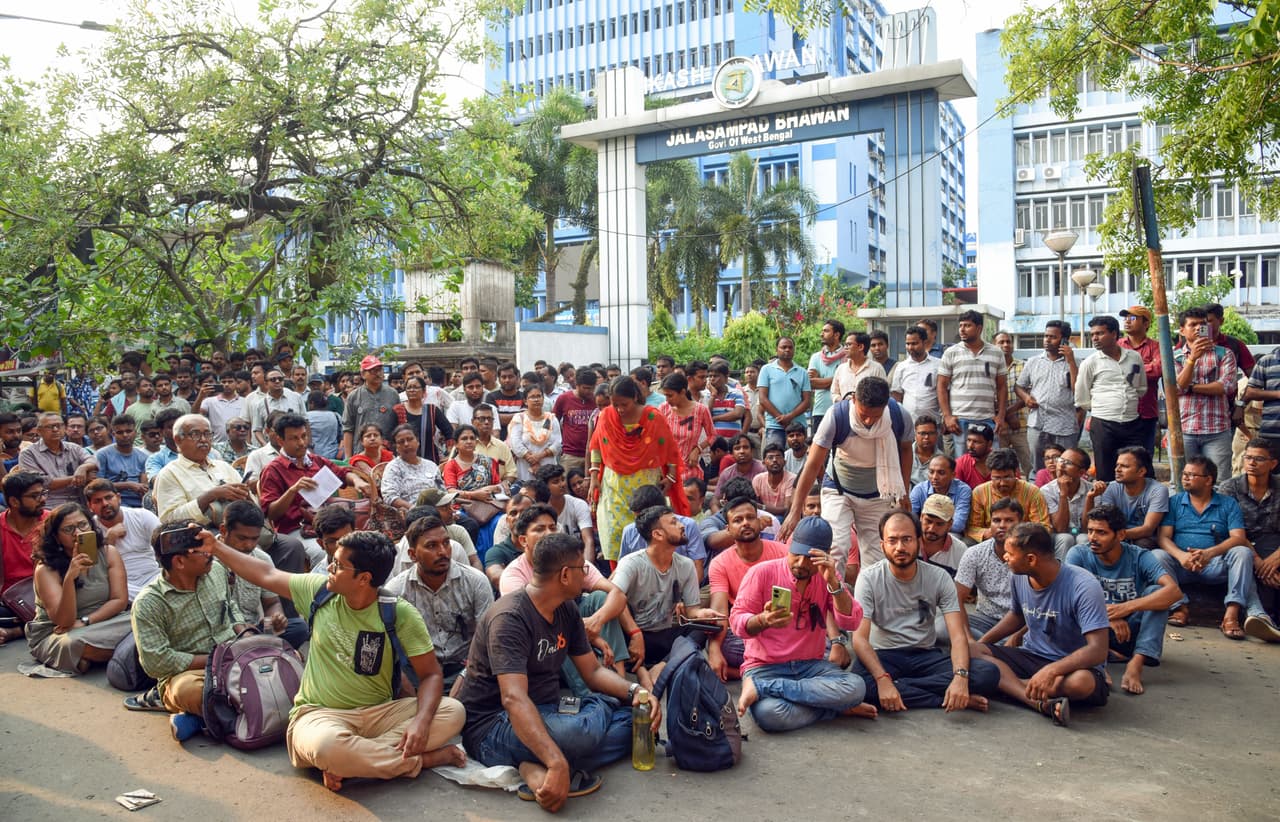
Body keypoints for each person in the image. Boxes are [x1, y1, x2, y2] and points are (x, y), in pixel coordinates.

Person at [205, 527, 466, 790]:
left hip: (379, 714)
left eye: (339, 565)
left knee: (453, 711)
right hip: (319, 715)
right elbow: (266, 573)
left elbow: (431, 674)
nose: (329, 567)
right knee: (326, 746)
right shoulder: (319, 592)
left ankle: (352, 762)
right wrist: (215, 547)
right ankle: (416, 761)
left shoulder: (399, 613)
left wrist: (420, 722)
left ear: (363, 579)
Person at [457, 532, 659, 812]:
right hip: (494, 724)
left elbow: (593, 673)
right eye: (583, 568)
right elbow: (513, 699)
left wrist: (636, 691)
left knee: (638, 722)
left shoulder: (566, 610)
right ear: (565, 575)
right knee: (579, 736)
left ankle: (532, 762)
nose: (587, 573)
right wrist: (556, 761)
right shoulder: (510, 618)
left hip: (548, 711)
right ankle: (558, 755)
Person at [730, 517, 874, 732]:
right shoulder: (762, 572)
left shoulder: (828, 577)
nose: (800, 563)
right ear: (789, 546)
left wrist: (834, 584)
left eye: (809, 558)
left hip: (810, 667)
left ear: (824, 556)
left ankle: (764, 688)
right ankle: (834, 707)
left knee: (856, 687)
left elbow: (851, 621)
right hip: (765, 667)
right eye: (795, 554)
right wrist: (762, 620)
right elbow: (737, 622)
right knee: (770, 715)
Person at [851, 510, 1000, 712]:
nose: (900, 547)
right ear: (882, 545)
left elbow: (957, 636)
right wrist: (882, 678)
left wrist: (960, 677)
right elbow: (859, 638)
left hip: (925, 655)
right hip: (884, 656)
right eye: (892, 541)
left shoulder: (939, 577)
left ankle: (903, 690)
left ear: (919, 542)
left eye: (907, 539)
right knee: (858, 685)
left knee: (987, 673)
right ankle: (942, 698)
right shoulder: (869, 578)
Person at [972, 523, 1111, 727]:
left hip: (1072, 666)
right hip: (1032, 655)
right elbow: (1016, 616)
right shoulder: (1019, 576)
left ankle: (1004, 684)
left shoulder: (1083, 586)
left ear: (1031, 559)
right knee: (969, 651)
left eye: (1010, 554)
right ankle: (1034, 698)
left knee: (1081, 683)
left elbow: (1098, 650)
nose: (1005, 558)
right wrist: (982, 646)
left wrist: (1052, 671)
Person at [781, 377, 912, 579]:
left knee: (877, 557)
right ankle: (833, 602)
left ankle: (866, 606)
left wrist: (903, 491)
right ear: (854, 401)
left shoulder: (899, 416)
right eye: (863, 415)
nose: (868, 422)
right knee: (835, 548)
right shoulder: (836, 416)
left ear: (886, 407)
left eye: (875, 417)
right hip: (838, 489)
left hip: (879, 493)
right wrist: (795, 509)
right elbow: (813, 464)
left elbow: (905, 450)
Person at [130, 517, 247, 737]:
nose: (210, 553)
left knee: (283, 662)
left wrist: (244, 631)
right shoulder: (149, 603)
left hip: (234, 656)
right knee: (189, 691)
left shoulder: (217, 570)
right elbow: (156, 662)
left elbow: (230, 606)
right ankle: (213, 713)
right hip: (191, 674)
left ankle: (200, 720)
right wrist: (217, 659)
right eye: (202, 550)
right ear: (179, 562)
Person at [1153, 456, 1278, 641]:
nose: (1185, 478)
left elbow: (1238, 538)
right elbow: (1163, 537)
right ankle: (1179, 607)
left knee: (1242, 552)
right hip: (1182, 565)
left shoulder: (1227, 504)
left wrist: (1209, 553)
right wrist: (1181, 556)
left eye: (1192, 475)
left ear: (1208, 479)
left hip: (1215, 564)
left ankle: (1231, 615)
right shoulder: (1175, 502)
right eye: (1184, 474)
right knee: (1157, 555)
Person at [1066, 505, 1182, 695]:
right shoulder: (1079, 554)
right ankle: (1099, 661)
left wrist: (1125, 608)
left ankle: (1136, 663)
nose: (1093, 538)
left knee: (1157, 592)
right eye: (1090, 531)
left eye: (1101, 532)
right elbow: (1069, 594)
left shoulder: (1139, 556)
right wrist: (1108, 616)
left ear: (1120, 535)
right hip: (1091, 629)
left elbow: (1174, 592)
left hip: (1128, 632)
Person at [587, 376, 688, 569]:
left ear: (635, 396)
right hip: (613, 486)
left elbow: (668, 448)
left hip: (645, 486)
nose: (620, 409)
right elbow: (596, 447)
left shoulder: (653, 417)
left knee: (650, 532)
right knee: (615, 534)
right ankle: (619, 580)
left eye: (624, 404)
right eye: (615, 404)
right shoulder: (607, 415)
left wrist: (671, 477)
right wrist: (593, 476)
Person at [612, 505, 724, 678]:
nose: (681, 525)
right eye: (674, 522)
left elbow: (692, 611)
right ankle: (651, 666)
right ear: (658, 534)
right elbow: (614, 597)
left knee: (707, 627)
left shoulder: (686, 565)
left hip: (665, 635)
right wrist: (634, 633)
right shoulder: (631, 563)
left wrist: (703, 613)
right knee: (612, 624)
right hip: (634, 638)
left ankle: (662, 665)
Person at [386, 514, 494, 684]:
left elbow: (487, 641)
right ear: (413, 555)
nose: (443, 551)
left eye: (446, 543)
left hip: (469, 669)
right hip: (419, 673)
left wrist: (464, 676)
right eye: (431, 546)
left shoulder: (475, 581)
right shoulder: (396, 590)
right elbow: (391, 649)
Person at [26, 503, 132, 673]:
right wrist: (70, 578)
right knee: (73, 643)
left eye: (82, 525)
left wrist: (85, 621)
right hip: (59, 632)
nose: (77, 533)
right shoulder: (45, 569)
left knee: (141, 620)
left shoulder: (108, 552)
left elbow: (119, 600)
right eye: (68, 529)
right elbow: (64, 621)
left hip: (102, 621)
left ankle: (102, 656)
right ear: (56, 537)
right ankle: (129, 653)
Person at [258, 413, 367, 558]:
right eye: (294, 438)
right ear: (280, 440)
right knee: (323, 553)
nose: (302, 443)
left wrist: (357, 480)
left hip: (329, 525)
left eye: (304, 436)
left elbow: (343, 473)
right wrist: (293, 490)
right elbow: (271, 514)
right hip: (296, 529)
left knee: (363, 547)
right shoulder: (273, 470)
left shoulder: (316, 461)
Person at [706, 496, 791, 680]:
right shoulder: (720, 563)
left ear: (760, 523)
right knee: (724, 647)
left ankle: (751, 674)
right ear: (728, 529)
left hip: (783, 626)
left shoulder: (783, 553)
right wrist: (713, 649)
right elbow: (720, 610)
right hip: (749, 631)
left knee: (819, 644)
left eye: (750, 518)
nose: (745, 523)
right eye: (738, 520)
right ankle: (784, 669)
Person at [217, 501, 308, 650]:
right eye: (242, 538)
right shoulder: (207, 560)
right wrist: (241, 629)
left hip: (254, 630)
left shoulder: (261, 558)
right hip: (223, 632)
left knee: (299, 628)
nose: (249, 545)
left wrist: (275, 618)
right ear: (223, 530)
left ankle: (258, 649)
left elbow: (272, 602)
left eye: (254, 539)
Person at [1076, 315, 1148, 482]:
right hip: (1104, 424)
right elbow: (1081, 397)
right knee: (1106, 471)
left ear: (1114, 334)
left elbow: (1140, 387)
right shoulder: (1090, 362)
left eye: (1100, 333)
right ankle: (1107, 506)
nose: (1094, 338)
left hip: (1132, 422)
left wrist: (1126, 401)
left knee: (1136, 468)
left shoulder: (1134, 357)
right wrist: (1103, 408)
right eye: (1092, 334)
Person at [1220, 439, 1280, 634]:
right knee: (1251, 561)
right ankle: (1264, 618)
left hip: (1273, 543)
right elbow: (1230, 531)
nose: (1251, 463)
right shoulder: (1230, 488)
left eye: (1259, 459)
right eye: (1248, 457)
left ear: (1273, 463)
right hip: (1240, 541)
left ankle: (1266, 619)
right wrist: (1258, 561)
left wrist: (1274, 559)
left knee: (1271, 559)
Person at [1172, 307, 1237, 484]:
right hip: (1184, 428)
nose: (1198, 328)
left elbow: (1226, 386)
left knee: (1220, 481)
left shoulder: (1224, 354)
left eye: (1202, 324)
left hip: (1217, 429)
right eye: (1192, 324)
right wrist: (1192, 359)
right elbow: (1176, 388)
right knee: (1182, 481)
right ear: (1182, 330)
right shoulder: (1174, 356)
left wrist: (1191, 387)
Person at [937, 310, 1008, 457]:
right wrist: (947, 416)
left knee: (991, 463)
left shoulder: (996, 353)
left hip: (988, 419)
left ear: (979, 328)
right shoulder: (951, 352)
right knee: (962, 465)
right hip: (960, 420)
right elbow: (941, 386)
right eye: (961, 325)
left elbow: (1002, 387)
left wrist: (1001, 416)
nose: (962, 329)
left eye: (967, 325)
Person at [954, 498, 1023, 639]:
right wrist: (968, 639)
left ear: (1021, 523)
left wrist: (1018, 635)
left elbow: (1042, 603)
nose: (1002, 526)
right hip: (984, 619)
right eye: (996, 521)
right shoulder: (975, 553)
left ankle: (990, 648)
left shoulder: (1029, 555)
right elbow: (957, 598)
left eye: (1009, 520)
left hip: (1020, 622)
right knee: (942, 627)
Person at [1017, 320, 1080, 471]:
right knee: (1038, 467)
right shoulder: (1033, 362)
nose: (1047, 340)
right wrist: (1026, 398)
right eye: (1045, 336)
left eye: (1052, 337)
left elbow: (1077, 391)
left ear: (1064, 340)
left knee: (1065, 466)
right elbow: (1019, 386)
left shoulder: (1075, 363)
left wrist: (1070, 362)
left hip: (1064, 425)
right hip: (1038, 423)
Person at [85, 479, 160, 601]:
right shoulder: (89, 529)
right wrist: (108, 541)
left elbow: (165, 544)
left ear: (118, 498)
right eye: (97, 501)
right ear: (90, 506)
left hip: (152, 576)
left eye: (109, 497)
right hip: (120, 585)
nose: (104, 503)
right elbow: (91, 571)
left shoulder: (142, 516)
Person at [966, 448, 1052, 545]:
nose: (1002, 483)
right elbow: (972, 528)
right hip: (990, 542)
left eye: (1007, 477)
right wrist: (989, 533)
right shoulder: (979, 492)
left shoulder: (1032, 492)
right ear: (990, 475)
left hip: (1024, 543)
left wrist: (1020, 535)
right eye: (997, 478)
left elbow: (1043, 526)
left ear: (1016, 473)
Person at [1, 472, 49, 640]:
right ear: (14, 501)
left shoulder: (52, 522)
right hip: (11, 600)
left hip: (49, 592)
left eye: (43, 493)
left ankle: (17, 631)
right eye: (34, 496)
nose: (42, 499)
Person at [18, 412, 98, 508]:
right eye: (50, 427)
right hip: (47, 505)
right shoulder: (28, 453)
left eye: (59, 426)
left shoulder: (74, 448)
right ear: (39, 431)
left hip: (79, 501)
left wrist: (83, 468)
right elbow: (42, 483)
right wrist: (77, 478)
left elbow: (94, 461)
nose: (55, 430)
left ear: (64, 428)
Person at [1096, 446, 1169, 550]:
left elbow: (1148, 529)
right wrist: (1090, 498)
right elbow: (1106, 521)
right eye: (1117, 465)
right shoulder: (1111, 488)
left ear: (1141, 471)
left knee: (1143, 543)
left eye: (1124, 466)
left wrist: (1114, 536)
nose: (1117, 470)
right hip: (1117, 535)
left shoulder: (1157, 490)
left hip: (1144, 538)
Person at [1118, 306, 1163, 458]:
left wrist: (1129, 371)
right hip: (1120, 411)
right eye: (1125, 318)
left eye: (1132, 318)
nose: (1127, 322)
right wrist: (1143, 369)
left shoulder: (1156, 346)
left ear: (1146, 323)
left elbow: (1158, 370)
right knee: (1120, 456)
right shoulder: (1117, 345)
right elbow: (1112, 371)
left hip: (1146, 413)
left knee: (1143, 457)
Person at [756, 336, 813, 452]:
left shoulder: (802, 372)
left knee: (801, 459)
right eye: (783, 347)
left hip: (798, 426)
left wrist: (789, 417)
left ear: (794, 350)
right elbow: (762, 398)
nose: (787, 350)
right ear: (777, 350)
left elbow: (807, 401)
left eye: (790, 347)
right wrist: (780, 418)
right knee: (774, 458)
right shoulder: (766, 370)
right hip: (774, 425)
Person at [1040, 447, 1098, 557]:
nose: (1061, 465)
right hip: (1057, 538)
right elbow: (1060, 529)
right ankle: (1060, 573)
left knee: (1084, 538)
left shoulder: (1092, 490)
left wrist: (1090, 498)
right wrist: (1063, 494)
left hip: (1082, 534)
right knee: (1065, 538)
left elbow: (1087, 528)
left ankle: (1085, 573)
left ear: (1081, 472)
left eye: (1068, 463)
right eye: (1061, 460)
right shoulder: (1046, 491)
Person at [659, 373, 716, 481]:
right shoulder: (663, 409)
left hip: (690, 470)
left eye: (670, 395)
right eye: (665, 396)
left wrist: (698, 449)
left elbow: (712, 435)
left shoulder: (701, 410)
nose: (667, 400)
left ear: (682, 392)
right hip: (667, 472)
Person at [341, 355, 401, 459]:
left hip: (387, 454)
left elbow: (398, 425)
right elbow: (348, 429)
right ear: (363, 374)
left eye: (380, 370)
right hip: (361, 453)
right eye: (372, 371)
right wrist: (348, 457)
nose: (378, 373)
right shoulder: (354, 396)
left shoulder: (393, 394)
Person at [535, 464, 596, 562]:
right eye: (556, 482)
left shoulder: (578, 504)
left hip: (577, 559)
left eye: (562, 479)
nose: (562, 484)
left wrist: (586, 570)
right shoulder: (540, 511)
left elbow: (588, 540)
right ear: (545, 487)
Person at [380, 424, 444, 510]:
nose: (406, 444)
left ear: (418, 442)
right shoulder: (393, 468)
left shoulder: (431, 465)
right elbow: (390, 497)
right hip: (413, 514)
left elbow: (442, 491)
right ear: (396, 447)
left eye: (410, 439)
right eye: (401, 442)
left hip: (440, 510)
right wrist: (415, 509)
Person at [393, 375, 454, 465]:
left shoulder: (432, 410)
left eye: (415, 387)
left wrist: (450, 454)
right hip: (403, 462)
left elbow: (450, 432)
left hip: (430, 460)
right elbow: (390, 436)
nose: (412, 390)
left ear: (424, 391)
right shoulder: (398, 410)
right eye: (409, 388)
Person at [994, 331, 1031, 474]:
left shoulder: (1024, 366)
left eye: (1008, 342)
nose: (1006, 345)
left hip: (1021, 426)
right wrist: (1007, 416)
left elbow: (1029, 394)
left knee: (1028, 464)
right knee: (1000, 466)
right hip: (999, 427)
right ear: (993, 345)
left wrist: (1010, 412)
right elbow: (989, 395)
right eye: (1001, 342)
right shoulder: (991, 367)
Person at [92, 415, 149, 508]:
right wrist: (128, 485)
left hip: (139, 504)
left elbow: (143, 485)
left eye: (128, 431)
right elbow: (97, 485)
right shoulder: (102, 455)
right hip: (112, 503)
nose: (125, 435)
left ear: (135, 433)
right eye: (120, 432)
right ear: (113, 434)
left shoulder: (143, 457)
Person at [890, 326, 943, 426]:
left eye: (914, 343)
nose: (910, 347)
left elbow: (944, 393)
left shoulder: (938, 365)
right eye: (907, 344)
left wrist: (945, 417)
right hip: (908, 424)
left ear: (924, 342)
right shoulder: (901, 367)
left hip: (933, 424)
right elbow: (897, 395)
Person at [910, 454, 972, 537]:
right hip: (925, 531)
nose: (934, 477)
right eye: (931, 472)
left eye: (941, 473)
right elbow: (911, 519)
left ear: (953, 475)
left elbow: (959, 525)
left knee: (954, 537)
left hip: (949, 533)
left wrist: (934, 528)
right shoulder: (919, 489)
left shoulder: (963, 490)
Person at [508, 385, 561, 482]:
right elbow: (515, 443)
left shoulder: (551, 418)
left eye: (539, 396)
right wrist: (532, 460)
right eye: (532, 397)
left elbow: (558, 443)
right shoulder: (519, 418)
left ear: (543, 398)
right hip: (525, 466)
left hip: (548, 465)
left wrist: (540, 456)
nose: (536, 400)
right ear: (525, 401)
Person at [552, 370, 597, 472]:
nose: (588, 391)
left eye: (591, 388)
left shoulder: (597, 400)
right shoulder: (564, 398)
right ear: (577, 385)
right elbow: (553, 422)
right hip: (570, 454)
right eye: (585, 388)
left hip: (593, 454)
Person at [806, 319, 846, 435]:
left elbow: (847, 383)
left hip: (842, 410)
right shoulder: (816, 357)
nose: (821, 334)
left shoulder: (848, 357)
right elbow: (811, 382)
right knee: (819, 449)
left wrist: (821, 381)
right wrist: (837, 381)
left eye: (826, 331)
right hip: (820, 410)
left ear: (837, 335)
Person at [249, 367, 306, 446]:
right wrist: (266, 447)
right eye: (273, 379)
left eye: (280, 379)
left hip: (296, 445)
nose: (277, 381)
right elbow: (257, 430)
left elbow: (306, 422)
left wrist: (306, 444)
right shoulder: (260, 404)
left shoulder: (296, 397)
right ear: (266, 383)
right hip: (273, 446)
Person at [917, 494, 968, 575]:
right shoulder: (906, 542)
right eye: (928, 521)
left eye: (939, 524)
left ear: (950, 525)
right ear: (921, 517)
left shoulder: (960, 551)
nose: (932, 528)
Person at [473, 404, 518, 484]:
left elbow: (511, 473)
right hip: (471, 491)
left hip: (498, 491)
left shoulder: (502, 446)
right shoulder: (465, 445)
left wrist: (504, 484)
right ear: (473, 422)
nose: (486, 422)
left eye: (489, 419)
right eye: (482, 419)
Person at [752, 442, 797, 518]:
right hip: (763, 516)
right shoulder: (758, 479)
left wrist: (763, 507)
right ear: (763, 463)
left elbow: (787, 510)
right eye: (770, 457)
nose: (775, 460)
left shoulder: (791, 479)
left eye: (778, 457)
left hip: (784, 517)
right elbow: (754, 505)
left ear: (784, 462)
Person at [485, 361, 526, 440]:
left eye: (510, 376)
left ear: (517, 378)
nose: (507, 380)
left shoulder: (525, 397)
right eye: (503, 377)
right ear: (499, 379)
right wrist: (519, 416)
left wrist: (499, 416)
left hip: (521, 442)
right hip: (498, 442)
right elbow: (492, 420)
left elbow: (526, 419)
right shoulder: (491, 397)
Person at [707, 362, 748, 439]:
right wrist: (713, 395)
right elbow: (706, 416)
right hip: (713, 442)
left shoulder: (736, 392)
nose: (712, 379)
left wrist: (714, 418)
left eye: (716, 376)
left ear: (726, 378)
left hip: (733, 441)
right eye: (710, 376)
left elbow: (738, 414)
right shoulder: (706, 394)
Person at [954, 423, 994, 489]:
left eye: (976, 442)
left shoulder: (1003, 461)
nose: (970, 446)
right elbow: (958, 492)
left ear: (989, 444)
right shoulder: (961, 463)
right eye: (969, 440)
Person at [305, 390, 343, 460]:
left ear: (311, 403)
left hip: (311, 458)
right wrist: (340, 451)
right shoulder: (336, 416)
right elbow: (343, 437)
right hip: (333, 457)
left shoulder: (305, 417)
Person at [908, 414, 943, 486]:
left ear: (937, 434)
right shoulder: (903, 454)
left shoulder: (942, 460)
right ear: (914, 435)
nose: (926, 437)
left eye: (931, 433)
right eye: (922, 433)